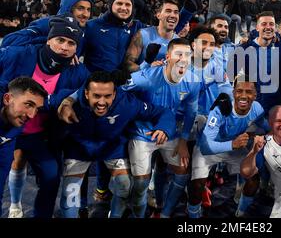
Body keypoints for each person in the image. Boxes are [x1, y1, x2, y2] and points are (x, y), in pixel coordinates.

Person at [0, 15, 89, 218]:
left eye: (71, 43)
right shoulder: (19, 55)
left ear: (77, 48)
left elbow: (87, 94)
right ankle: (15, 204)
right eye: (60, 40)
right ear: (48, 40)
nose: (64, 47)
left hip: (41, 135)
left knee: (50, 178)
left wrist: (67, 102)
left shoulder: (79, 72)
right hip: (7, 131)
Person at [58, 71, 175, 218]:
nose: (101, 102)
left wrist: (164, 128)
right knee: (70, 194)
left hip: (112, 149)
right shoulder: (66, 100)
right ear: (86, 94)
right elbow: (39, 103)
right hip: (79, 151)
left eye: (107, 96)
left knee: (124, 186)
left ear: (114, 94)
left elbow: (161, 112)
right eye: (96, 96)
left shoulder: (127, 103)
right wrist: (63, 105)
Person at [122, 38, 201, 218]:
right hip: (142, 133)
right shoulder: (146, 78)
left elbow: (191, 114)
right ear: (167, 57)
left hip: (171, 133)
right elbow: (117, 91)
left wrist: (183, 141)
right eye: (179, 54)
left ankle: (164, 213)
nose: (184, 59)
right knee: (141, 183)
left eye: (188, 55)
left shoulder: (193, 81)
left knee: (182, 173)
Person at [187, 76, 269, 218]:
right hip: (211, 147)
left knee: (253, 179)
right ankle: (194, 215)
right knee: (196, 185)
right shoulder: (221, 108)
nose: (243, 96)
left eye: (249, 92)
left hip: (234, 148)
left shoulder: (257, 109)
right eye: (239, 91)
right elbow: (206, 147)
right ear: (233, 92)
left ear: (255, 95)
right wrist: (233, 144)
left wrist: (276, 131)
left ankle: (241, 213)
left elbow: (266, 126)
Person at [0, 77, 47, 217]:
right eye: (28, 104)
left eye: (37, 109)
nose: (32, 115)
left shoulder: (17, 118)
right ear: (7, 99)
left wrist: (71, 100)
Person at [1, 0, 92, 55]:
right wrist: (50, 42)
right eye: (80, 9)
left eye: (88, 9)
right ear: (68, 8)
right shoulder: (47, 23)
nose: (86, 14)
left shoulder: (85, 30)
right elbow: (9, 40)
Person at [124, 0, 180, 72]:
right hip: (143, 82)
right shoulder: (143, 34)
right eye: (168, 11)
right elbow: (127, 65)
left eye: (176, 12)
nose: (173, 15)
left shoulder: (178, 41)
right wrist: (147, 66)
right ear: (158, 15)